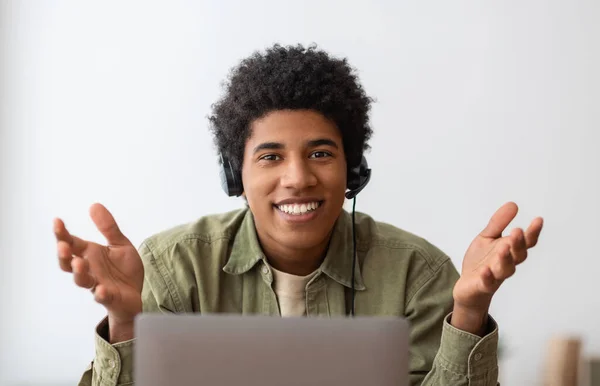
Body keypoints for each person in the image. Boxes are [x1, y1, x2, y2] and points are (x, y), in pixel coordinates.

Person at [54, 44, 543, 386]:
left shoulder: (418, 273)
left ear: (353, 169)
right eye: (270, 157)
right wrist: (124, 321)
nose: (297, 178)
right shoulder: (171, 267)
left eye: (321, 153)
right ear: (235, 176)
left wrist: (470, 313)